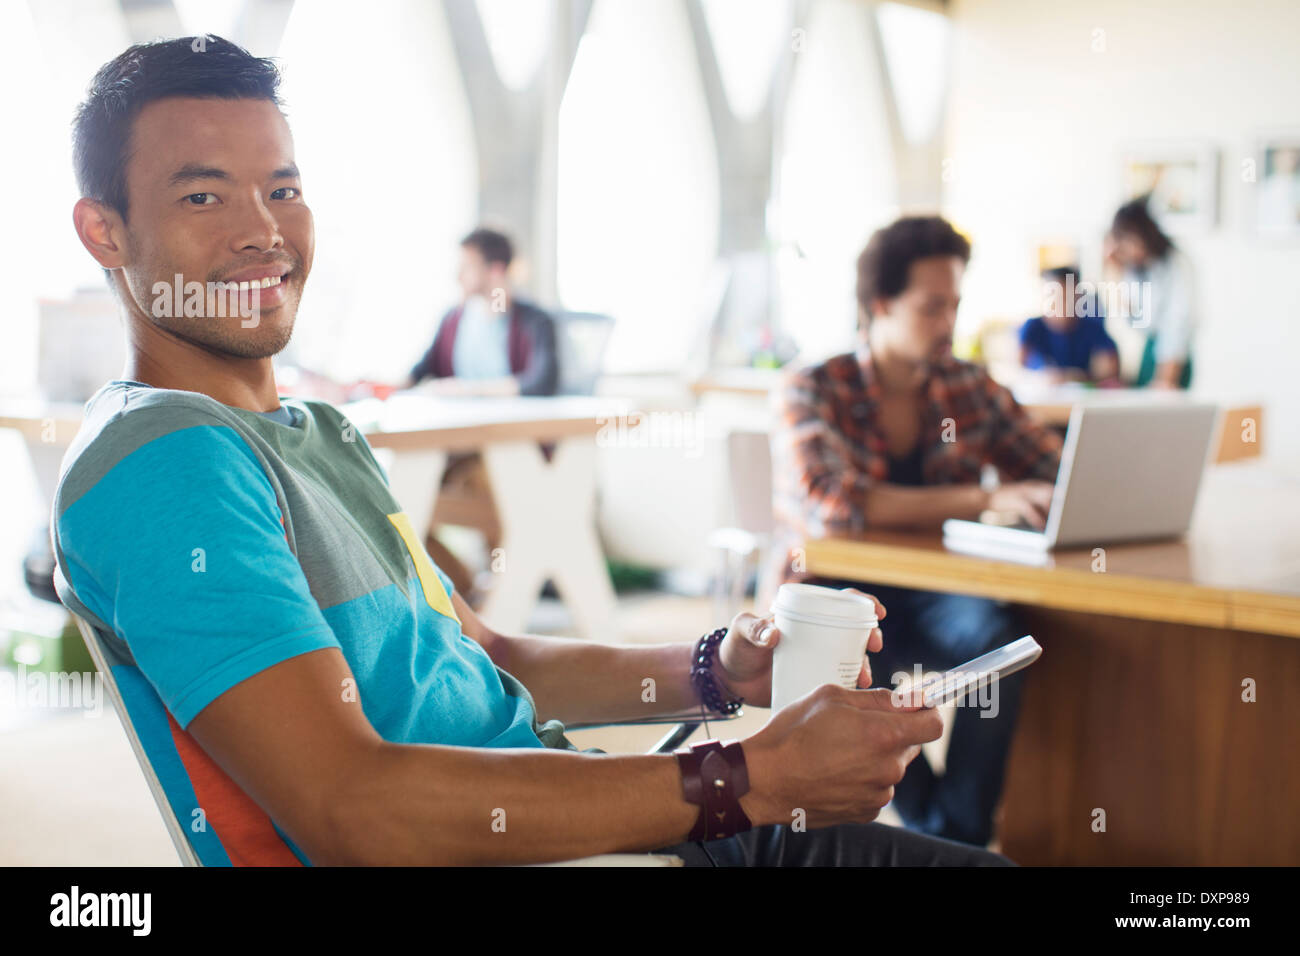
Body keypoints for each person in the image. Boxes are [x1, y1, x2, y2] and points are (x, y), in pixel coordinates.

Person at [54, 36, 1010, 867]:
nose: (262, 231)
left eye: (283, 188)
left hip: (579, 820)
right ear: (105, 231)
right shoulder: (169, 462)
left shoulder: (320, 435)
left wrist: (717, 669)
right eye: (202, 194)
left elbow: (487, 656)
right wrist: (745, 779)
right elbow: (355, 810)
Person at [770, 215, 1064, 848]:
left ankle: (955, 838)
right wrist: (983, 496)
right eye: (932, 307)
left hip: (933, 594)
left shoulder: (966, 384)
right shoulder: (811, 386)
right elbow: (831, 504)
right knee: (849, 675)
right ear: (880, 305)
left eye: (955, 305)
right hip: (834, 598)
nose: (948, 324)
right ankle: (948, 837)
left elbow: (1052, 470)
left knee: (1002, 647)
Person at [401, 228, 558, 397]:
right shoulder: (452, 319)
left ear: (495, 270)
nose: (458, 276)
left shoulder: (534, 321)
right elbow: (421, 370)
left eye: (467, 267)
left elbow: (542, 382)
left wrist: (468, 391)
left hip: (512, 419)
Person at [1103, 196, 1196, 389]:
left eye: (1126, 239)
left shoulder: (1175, 265)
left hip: (1174, 358)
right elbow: (1135, 320)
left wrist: (1166, 378)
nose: (1124, 249)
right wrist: (1115, 272)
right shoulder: (1135, 269)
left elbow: (1178, 324)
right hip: (1150, 351)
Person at [1019, 266, 1120, 384]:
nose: (1061, 303)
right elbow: (1018, 368)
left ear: (1079, 296)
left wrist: (1078, 377)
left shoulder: (1092, 327)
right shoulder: (1032, 327)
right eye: (1054, 297)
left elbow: (1111, 368)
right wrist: (1041, 375)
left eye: (1067, 297)